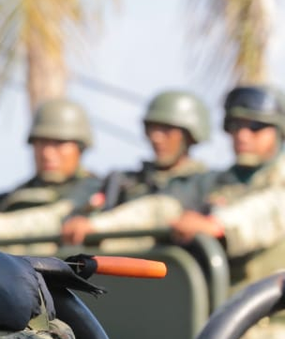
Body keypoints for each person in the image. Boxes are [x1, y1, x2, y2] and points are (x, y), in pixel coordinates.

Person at [61, 85, 285, 339]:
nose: (242, 135)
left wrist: (215, 224)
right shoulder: (215, 182)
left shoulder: (276, 184)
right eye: (234, 126)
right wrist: (101, 228)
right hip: (209, 330)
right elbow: (161, 209)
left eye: (255, 126)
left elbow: (263, 214)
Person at [0, 98, 101, 252]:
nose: (47, 153)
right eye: (41, 142)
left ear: (80, 147)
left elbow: (54, 218)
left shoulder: (91, 188)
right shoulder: (16, 194)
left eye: (59, 143)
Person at [59, 90, 211, 247]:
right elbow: (72, 212)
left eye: (167, 129)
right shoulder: (123, 181)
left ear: (190, 136)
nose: (156, 137)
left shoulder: (207, 182)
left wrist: (95, 227)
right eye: (151, 128)